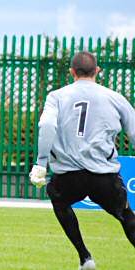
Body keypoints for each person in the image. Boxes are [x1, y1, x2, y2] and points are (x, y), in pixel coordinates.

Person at [29, 51, 135, 270]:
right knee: (125, 215)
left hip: (69, 175)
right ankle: (85, 259)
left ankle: (85, 258)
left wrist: (41, 163)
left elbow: (47, 126)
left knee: (59, 200)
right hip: (103, 175)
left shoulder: (56, 96)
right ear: (97, 71)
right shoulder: (115, 98)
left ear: (72, 72)